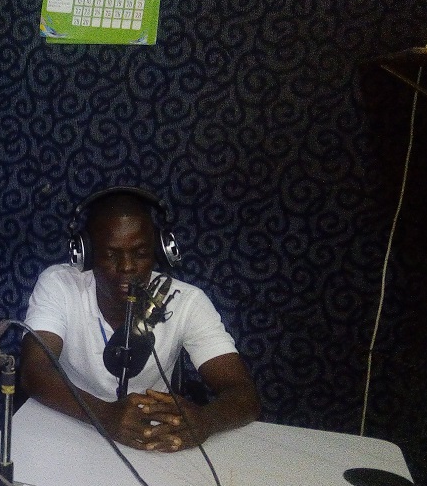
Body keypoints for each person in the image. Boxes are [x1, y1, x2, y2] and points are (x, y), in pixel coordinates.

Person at [19, 186, 260, 452]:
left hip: (149, 437)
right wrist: (104, 415)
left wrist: (205, 420)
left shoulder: (187, 301)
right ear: (86, 254)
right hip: (70, 424)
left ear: (159, 251)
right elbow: (34, 371)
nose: (127, 267)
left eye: (141, 253)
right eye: (111, 254)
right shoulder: (59, 285)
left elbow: (243, 393)